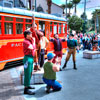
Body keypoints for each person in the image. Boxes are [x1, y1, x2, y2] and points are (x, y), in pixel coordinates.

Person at [23, 30, 36, 95]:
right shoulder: (25, 41)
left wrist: (33, 42)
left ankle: (28, 85)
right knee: (27, 73)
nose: (31, 35)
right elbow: (32, 47)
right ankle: (26, 89)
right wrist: (34, 42)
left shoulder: (29, 40)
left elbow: (34, 47)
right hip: (27, 58)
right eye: (30, 34)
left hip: (30, 58)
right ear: (27, 35)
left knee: (30, 72)